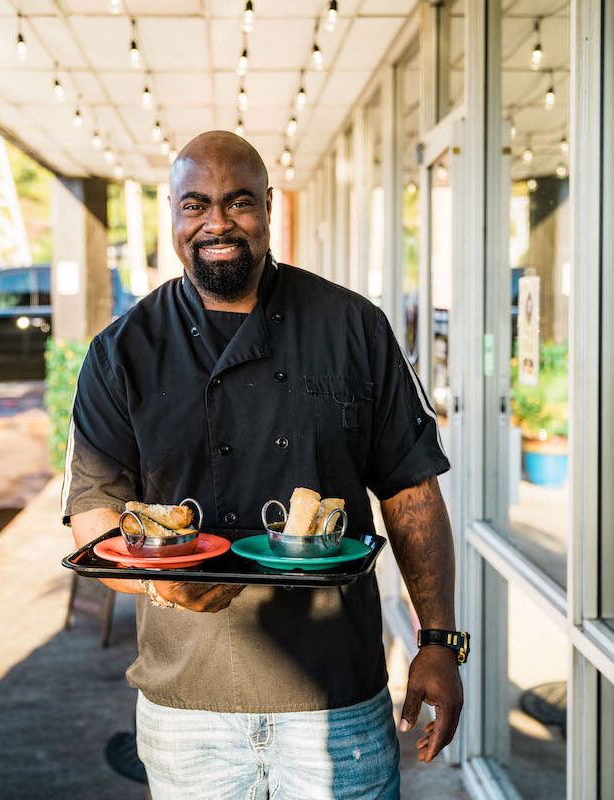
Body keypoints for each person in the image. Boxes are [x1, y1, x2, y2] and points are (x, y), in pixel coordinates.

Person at [62, 130, 465, 800]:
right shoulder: (121, 351)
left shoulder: (352, 327)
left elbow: (410, 490)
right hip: (186, 704)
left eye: (238, 202)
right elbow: (94, 515)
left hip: (336, 698)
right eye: (195, 205)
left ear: (269, 207)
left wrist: (440, 641)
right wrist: (162, 587)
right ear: (172, 215)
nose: (216, 222)